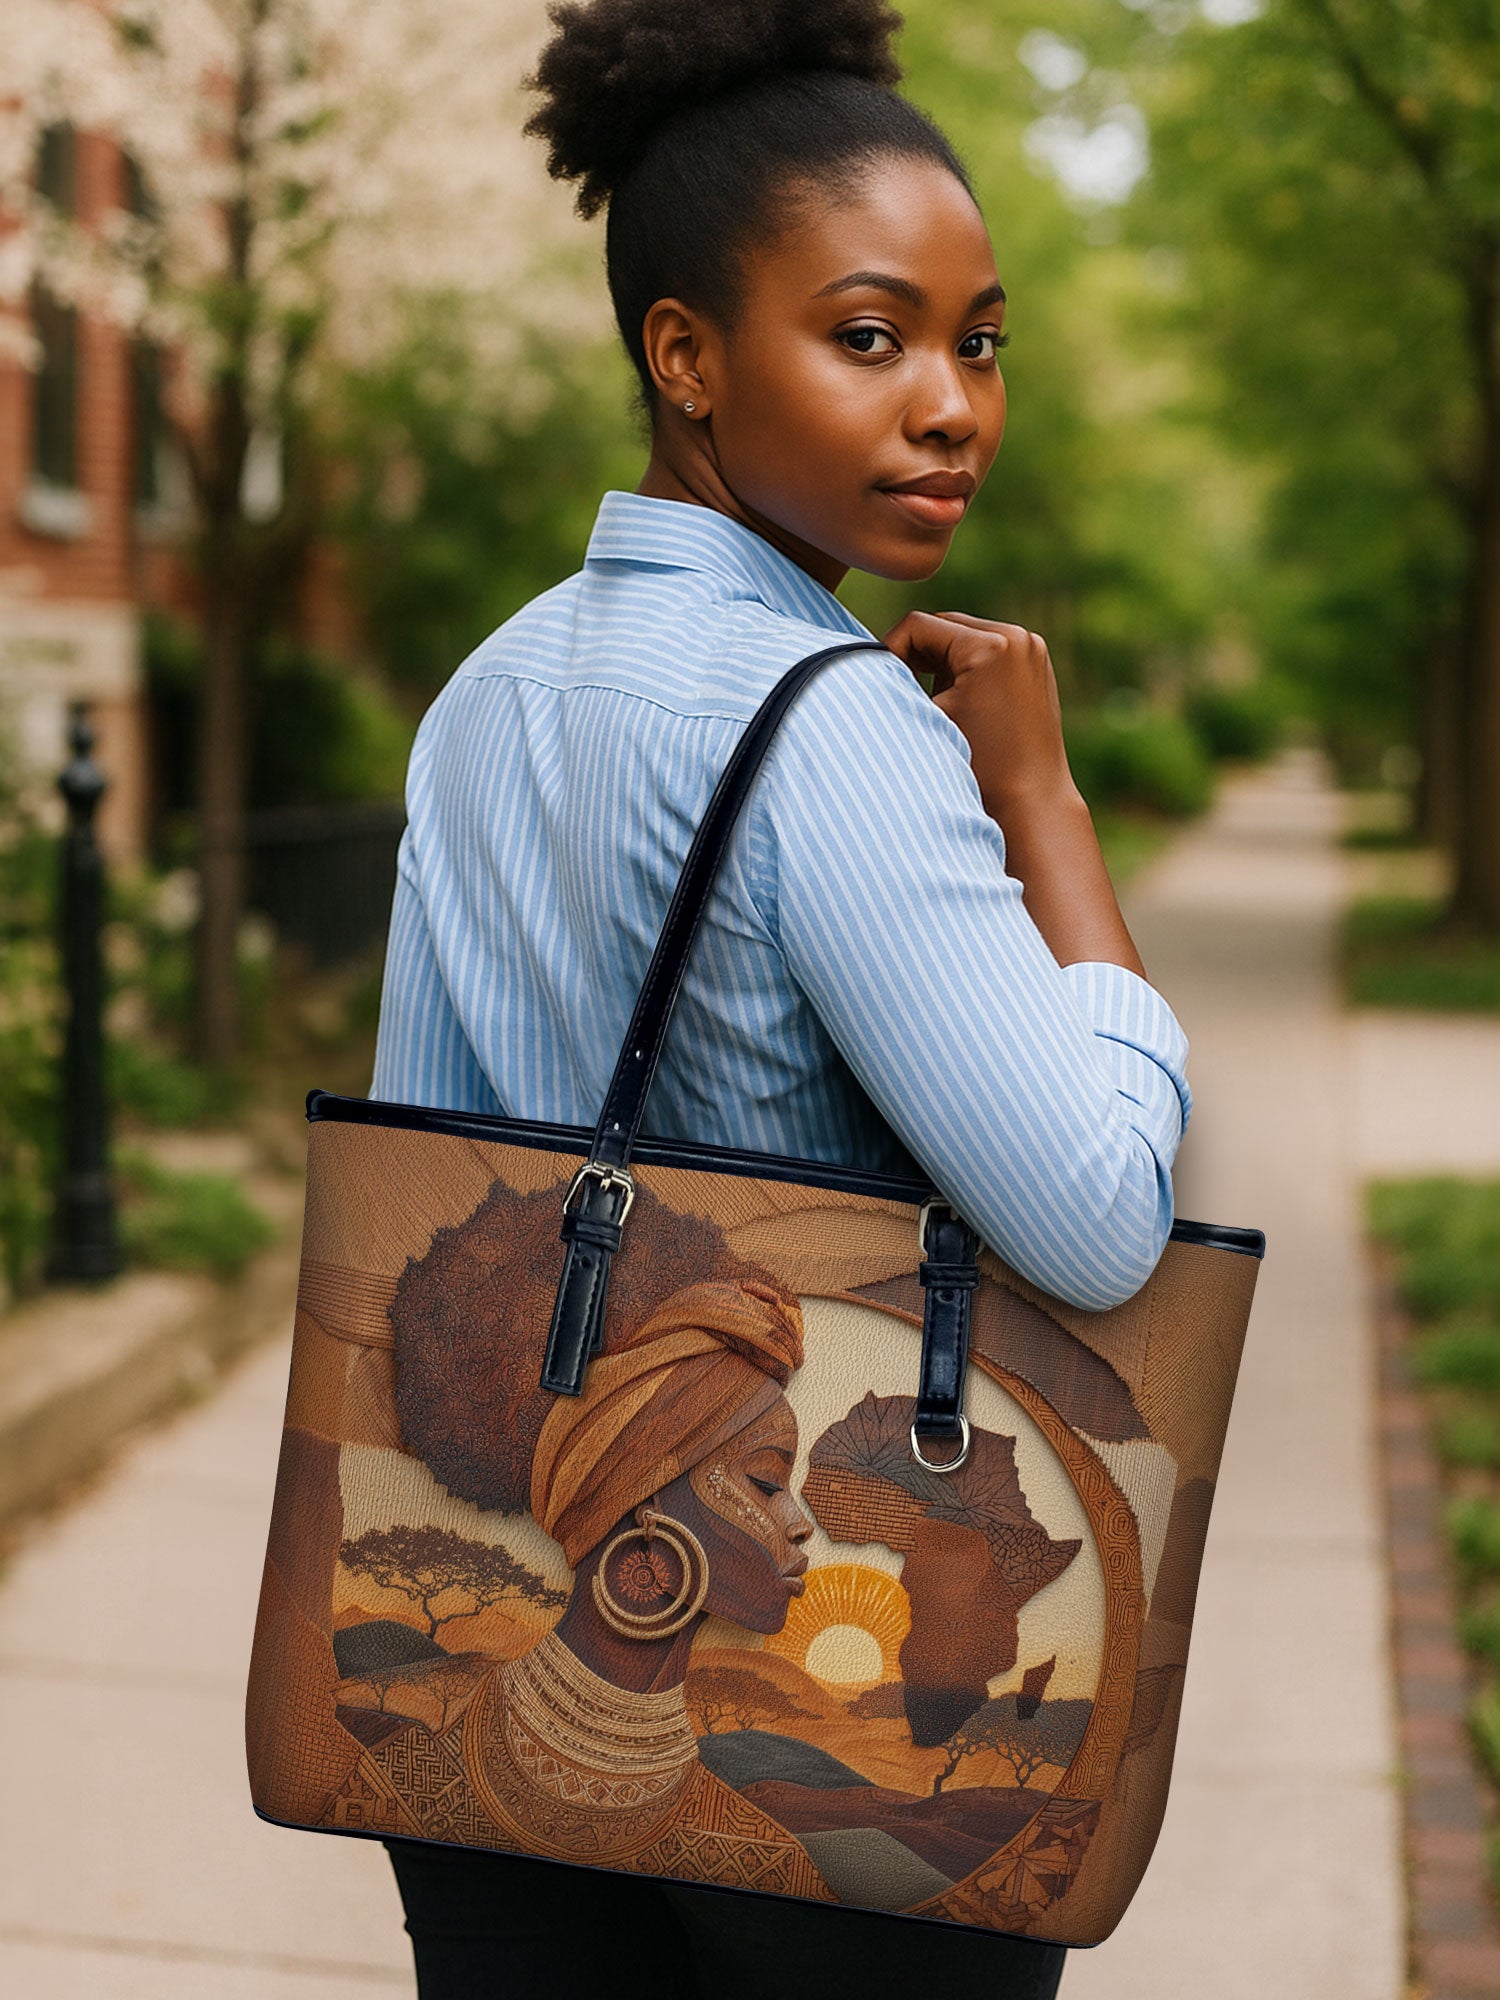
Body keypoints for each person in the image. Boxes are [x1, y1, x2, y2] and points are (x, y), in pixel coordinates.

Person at [368, 1, 1194, 1993]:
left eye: (980, 343)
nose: (953, 406)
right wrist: (1044, 805)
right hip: (823, 1722)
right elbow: (1099, 1214)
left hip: (487, 1678)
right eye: (871, 336)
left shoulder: (487, 693)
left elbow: (421, 1167)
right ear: (687, 358)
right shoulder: (833, 726)